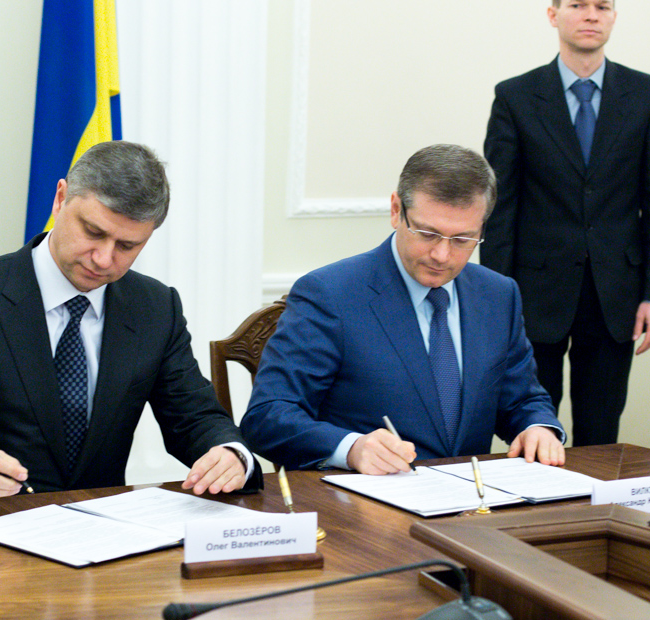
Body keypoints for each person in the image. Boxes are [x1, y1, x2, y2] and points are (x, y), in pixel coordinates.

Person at [0, 141, 260, 506]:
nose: (103, 259)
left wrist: (231, 455)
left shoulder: (155, 307)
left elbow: (195, 419)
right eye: (93, 232)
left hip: (101, 534)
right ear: (60, 199)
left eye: (127, 246)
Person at [240, 144, 565, 475]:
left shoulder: (497, 294)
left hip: (470, 497)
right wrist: (350, 448)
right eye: (428, 234)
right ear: (396, 210)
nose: (442, 255)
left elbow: (522, 400)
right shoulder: (329, 294)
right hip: (363, 498)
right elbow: (268, 416)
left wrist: (538, 427)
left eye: (462, 239)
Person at [481, 0, 650, 447]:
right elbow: (499, 208)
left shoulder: (646, 93)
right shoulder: (515, 96)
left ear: (613, 17)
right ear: (553, 15)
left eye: (602, 6)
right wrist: (495, 299)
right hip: (533, 294)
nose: (591, 15)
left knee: (601, 434)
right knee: (531, 429)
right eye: (578, 4)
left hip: (616, 296)